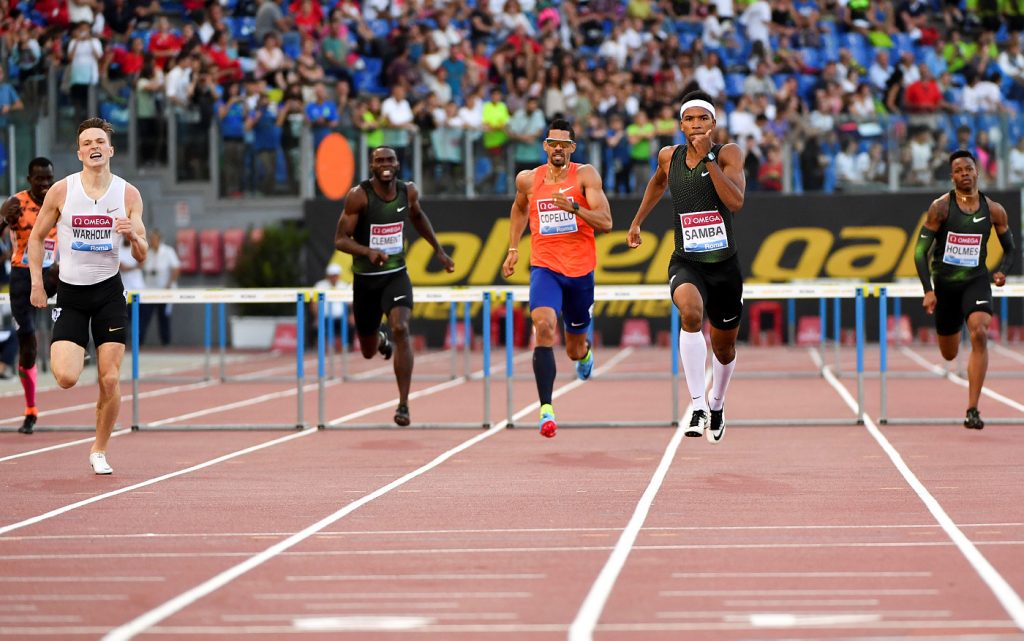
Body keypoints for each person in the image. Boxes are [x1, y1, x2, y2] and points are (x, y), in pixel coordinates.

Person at [28, 118, 148, 474]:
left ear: (110, 149)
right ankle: (95, 426)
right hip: (71, 293)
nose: (94, 146)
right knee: (65, 376)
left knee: (109, 379)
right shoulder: (63, 191)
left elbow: (142, 254)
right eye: (87, 142)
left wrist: (134, 237)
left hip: (109, 292)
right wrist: (37, 282)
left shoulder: (128, 194)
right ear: (79, 152)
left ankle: (99, 449)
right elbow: (36, 237)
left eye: (100, 140)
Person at [627, 90, 747, 444]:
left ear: (714, 124)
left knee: (724, 349)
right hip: (687, 260)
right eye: (690, 119)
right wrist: (637, 222)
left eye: (703, 119)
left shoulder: (728, 153)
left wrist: (708, 158)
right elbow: (657, 183)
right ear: (680, 125)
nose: (696, 124)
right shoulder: (669, 156)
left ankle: (717, 403)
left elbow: (735, 202)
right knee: (691, 315)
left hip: (723, 264)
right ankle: (697, 404)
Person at [501, 118, 613, 438]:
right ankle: (546, 410)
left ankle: (585, 353)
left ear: (572, 148)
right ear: (545, 146)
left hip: (579, 272)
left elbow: (605, 221)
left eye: (565, 144)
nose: (558, 149)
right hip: (545, 267)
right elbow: (519, 209)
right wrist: (513, 248)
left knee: (573, 349)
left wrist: (575, 208)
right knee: (544, 326)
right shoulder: (528, 179)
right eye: (553, 143)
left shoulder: (585, 175)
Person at [334, 146, 454, 426]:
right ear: (371, 166)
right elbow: (340, 239)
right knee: (366, 349)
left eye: (390, 160)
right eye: (379, 161)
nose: (385, 165)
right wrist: (367, 252)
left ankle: (403, 405)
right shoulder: (358, 196)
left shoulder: (408, 191)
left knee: (401, 327)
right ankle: (380, 340)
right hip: (366, 281)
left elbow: (418, 217)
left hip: (395, 275)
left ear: (398, 164)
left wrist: (439, 250)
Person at [914, 149, 1015, 430]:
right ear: (952, 176)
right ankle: (951, 330)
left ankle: (972, 409)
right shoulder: (941, 208)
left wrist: (1002, 272)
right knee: (949, 353)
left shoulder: (994, 210)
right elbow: (920, 251)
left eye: (968, 169)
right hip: (945, 285)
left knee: (980, 332)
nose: (964, 174)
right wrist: (928, 289)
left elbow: (1010, 249)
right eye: (958, 170)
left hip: (976, 281)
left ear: (977, 171)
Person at [0, 157, 59, 434]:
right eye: (40, 179)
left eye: (49, 178)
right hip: (22, 274)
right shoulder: (16, 204)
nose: (45, 184)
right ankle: (31, 409)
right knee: (29, 347)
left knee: (64, 273)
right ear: (29, 180)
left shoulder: (61, 200)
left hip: (53, 273)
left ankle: (78, 337)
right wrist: (2, 217)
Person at [139, 229, 180, 346]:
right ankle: (139, 341)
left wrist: (169, 283)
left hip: (164, 290)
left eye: (154, 239)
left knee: (164, 318)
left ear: (160, 240)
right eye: (151, 239)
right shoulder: (148, 252)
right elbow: (140, 266)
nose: (152, 241)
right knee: (144, 317)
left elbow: (175, 268)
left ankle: (165, 342)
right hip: (149, 290)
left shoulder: (168, 251)